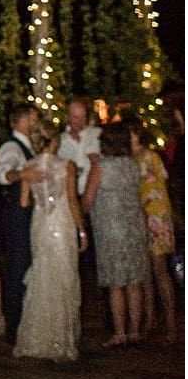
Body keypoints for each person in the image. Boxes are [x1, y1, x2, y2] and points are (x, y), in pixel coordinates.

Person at [13, 135, 85, 363]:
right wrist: (82, 231)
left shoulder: (29, 166)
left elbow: (24, 202)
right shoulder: (66, 166)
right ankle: (60, 340)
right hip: (62, 223)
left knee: (43, 275)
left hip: (40, 224)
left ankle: (38, 337)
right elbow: (72, 200)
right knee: (62, 275)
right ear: (54, 141)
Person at [85, 123, 149, 348]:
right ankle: (134, 330)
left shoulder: (100, 167)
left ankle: (120, 332)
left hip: (111, 229)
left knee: (115, 283)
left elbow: (88, 199)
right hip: (134, 226)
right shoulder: (132, 165)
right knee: (133, 281)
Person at [0, 101, 44, 344]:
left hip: (27, 213)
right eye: (34, 118)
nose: (36, 123)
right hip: (17, 214)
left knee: (25, 267)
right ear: (23, 120)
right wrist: (22, 174)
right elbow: (3, 174)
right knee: (18, 268)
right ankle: (14, 325)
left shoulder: (28, 145)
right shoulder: (12, 147)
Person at [132, 124, 177, 343]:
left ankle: (170, 323)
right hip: (148, 217)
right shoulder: (137, 158)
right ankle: (151, 320)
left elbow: (152, 190)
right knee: (148, 272)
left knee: (159, 271)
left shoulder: (147, 157)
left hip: (154, 217)